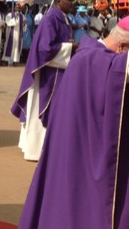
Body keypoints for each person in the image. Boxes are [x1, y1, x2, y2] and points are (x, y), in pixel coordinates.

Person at [18, 16, 129, 229]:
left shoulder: (92, 58)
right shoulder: (93, 62)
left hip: (80, 149)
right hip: (81, 156)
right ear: (122, 48)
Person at [11, 0, 78, 161]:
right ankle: (36, 150)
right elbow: (45, 49)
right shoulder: (51, 19)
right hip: (49, 74)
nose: (73, 3)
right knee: (44, 110)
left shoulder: (63, 18)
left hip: (58, 71)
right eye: (70, 0)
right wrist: (70, 47)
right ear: (58, 1)